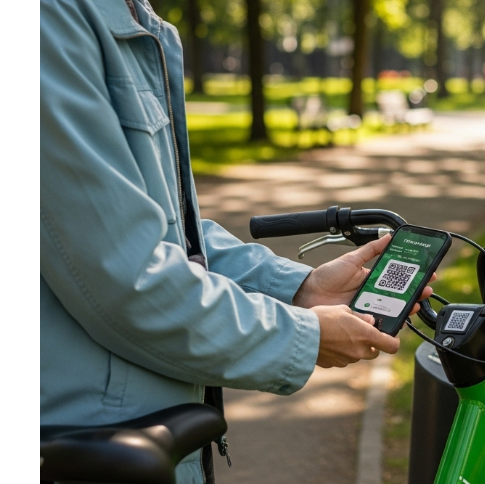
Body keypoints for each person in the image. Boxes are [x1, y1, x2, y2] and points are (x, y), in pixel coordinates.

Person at [40, 1, 433, 483]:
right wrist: (304, 336)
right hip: (87, 453)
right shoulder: (50, 21)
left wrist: (300, 289)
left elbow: (169, 230)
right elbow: (125, 275)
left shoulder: (127, 15)